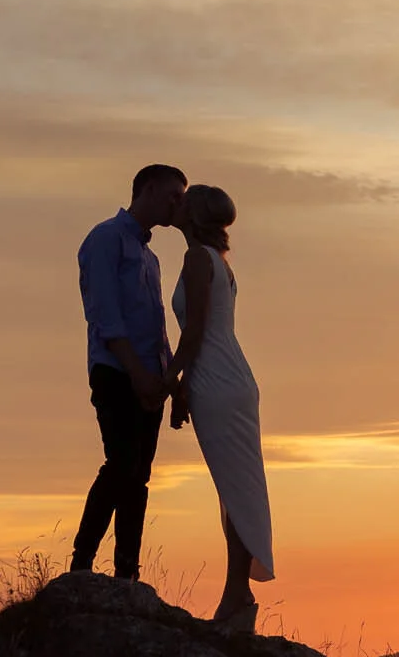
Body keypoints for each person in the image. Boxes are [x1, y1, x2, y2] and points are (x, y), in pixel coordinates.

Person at [166, 184, 274, 633]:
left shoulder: (198, 260)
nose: (177, 204)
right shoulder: (219, 262)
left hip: (217, 380)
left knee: (235, 491)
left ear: (192, 216)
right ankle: (237, 598)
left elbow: (193, 335)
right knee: (235, 490)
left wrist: (170, 384)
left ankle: (237, 598)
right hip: (229, 378)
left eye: (183, 201)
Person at [71, 164, 186, 579]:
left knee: (138, 475)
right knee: (121, 464)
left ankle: (127, 572)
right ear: (149, 189)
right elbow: (104, 314)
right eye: (174, 195)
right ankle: (81, 563)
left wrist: (168, 383)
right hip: (115, 371)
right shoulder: (106, 239)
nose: (180, 204)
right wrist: (137, 373)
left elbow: (156, 328)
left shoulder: (150, 257)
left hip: (148, 376)